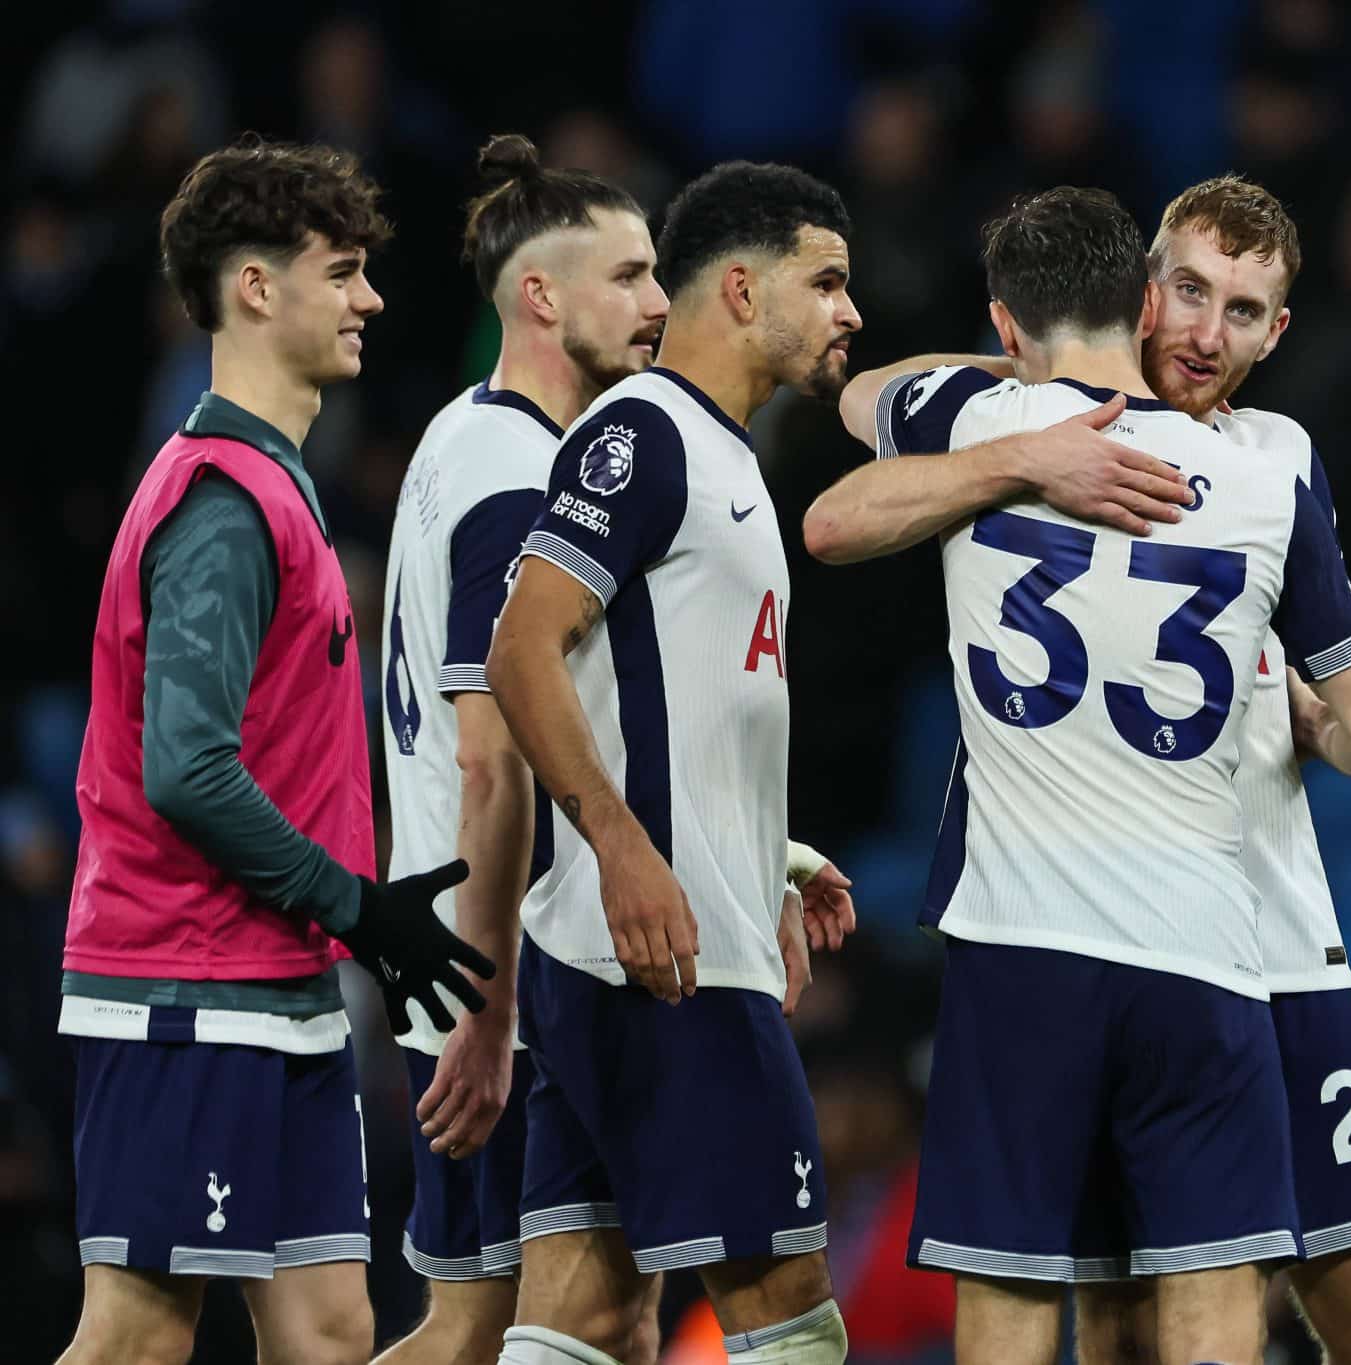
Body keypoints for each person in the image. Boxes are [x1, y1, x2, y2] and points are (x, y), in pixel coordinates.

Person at [809, 175, 1351, 1365]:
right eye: (1191, 293)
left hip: (1273, 941)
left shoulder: (1272, 456)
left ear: (1276, 333)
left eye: (1243, 311)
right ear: (1140, 294)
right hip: (1152, 946)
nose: (1209, 333)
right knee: (1125, 1321)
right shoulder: (1024, 429)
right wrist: (1035, 423)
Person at [59, 139, 492, 1365]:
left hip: (275, 985)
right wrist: (357, 906)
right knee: (137, 1340)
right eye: (342, 272)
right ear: (255, 287)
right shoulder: (223, 504)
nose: (372, 301)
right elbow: (186, 769)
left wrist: (342, 925)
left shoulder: (268, 484)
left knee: (329, 1333)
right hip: (186, 987)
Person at [483, 161, 861, 1365]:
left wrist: (771, 860)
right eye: (826, 282)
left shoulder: (725, 457)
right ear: (743, 290)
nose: (850, 311)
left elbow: (676, 705)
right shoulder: (644, 433)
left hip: (638, 941)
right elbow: (521, 649)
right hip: (666, 958)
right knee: (791, 1321)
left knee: (583, 1318)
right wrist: (622, 845)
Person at [371, 134, 668, 1365]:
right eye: (630, 275)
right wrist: (487, 1014)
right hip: (499, 967)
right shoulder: (516, 474)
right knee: (524, 1323)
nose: (658, 303)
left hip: (459, 945)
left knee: (510, 1322)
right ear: (540, 294)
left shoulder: (460, 435)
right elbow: (492, 760)